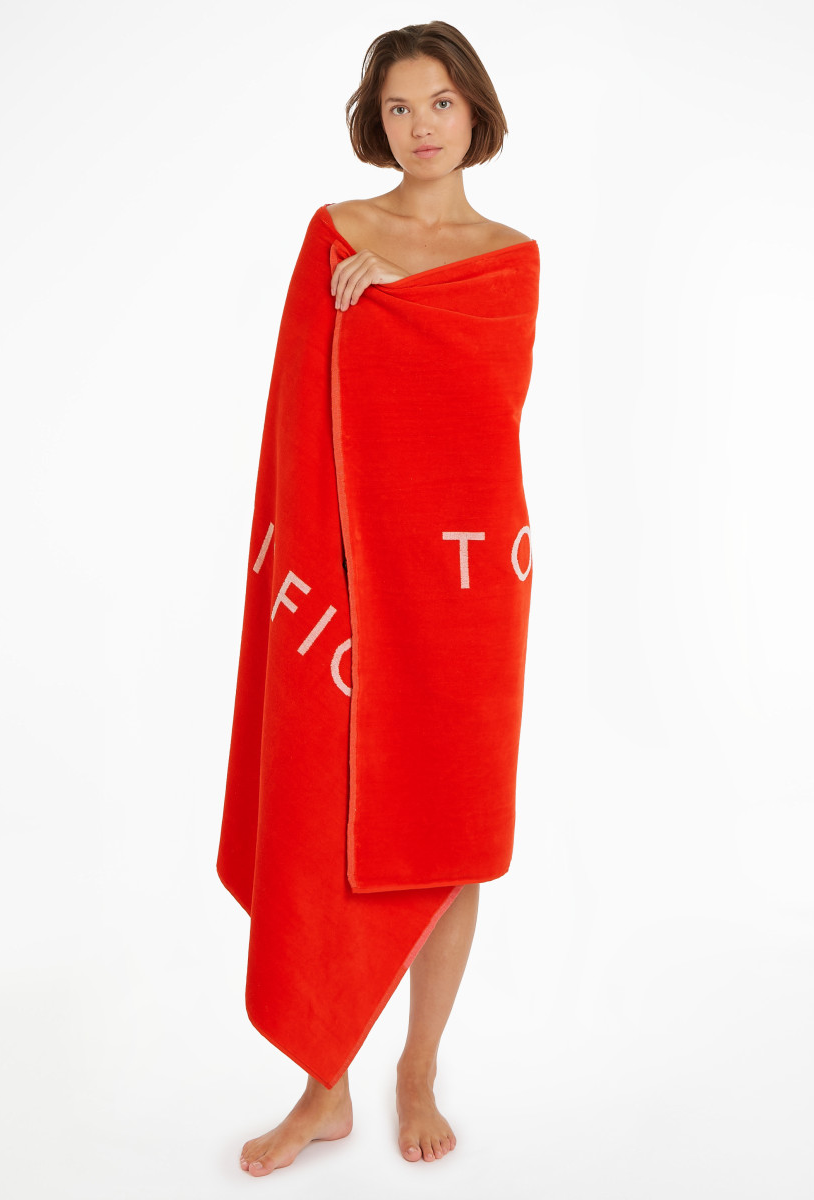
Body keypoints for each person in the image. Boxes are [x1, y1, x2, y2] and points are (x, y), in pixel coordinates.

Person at [234, 20, 535, 1177]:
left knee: (449, 833)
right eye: (400, 107)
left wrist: (402, 300)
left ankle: (418, 1066)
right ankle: (324, 1088)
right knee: (336, 816)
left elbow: (486, 407)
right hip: (351, 580)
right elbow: (296, 416)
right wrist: (361, 311)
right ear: (377, 120)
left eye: (440, 103)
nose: (420, 126)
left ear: (475, 112)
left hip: (465, 584)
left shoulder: (510, 257)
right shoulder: (336, 234)